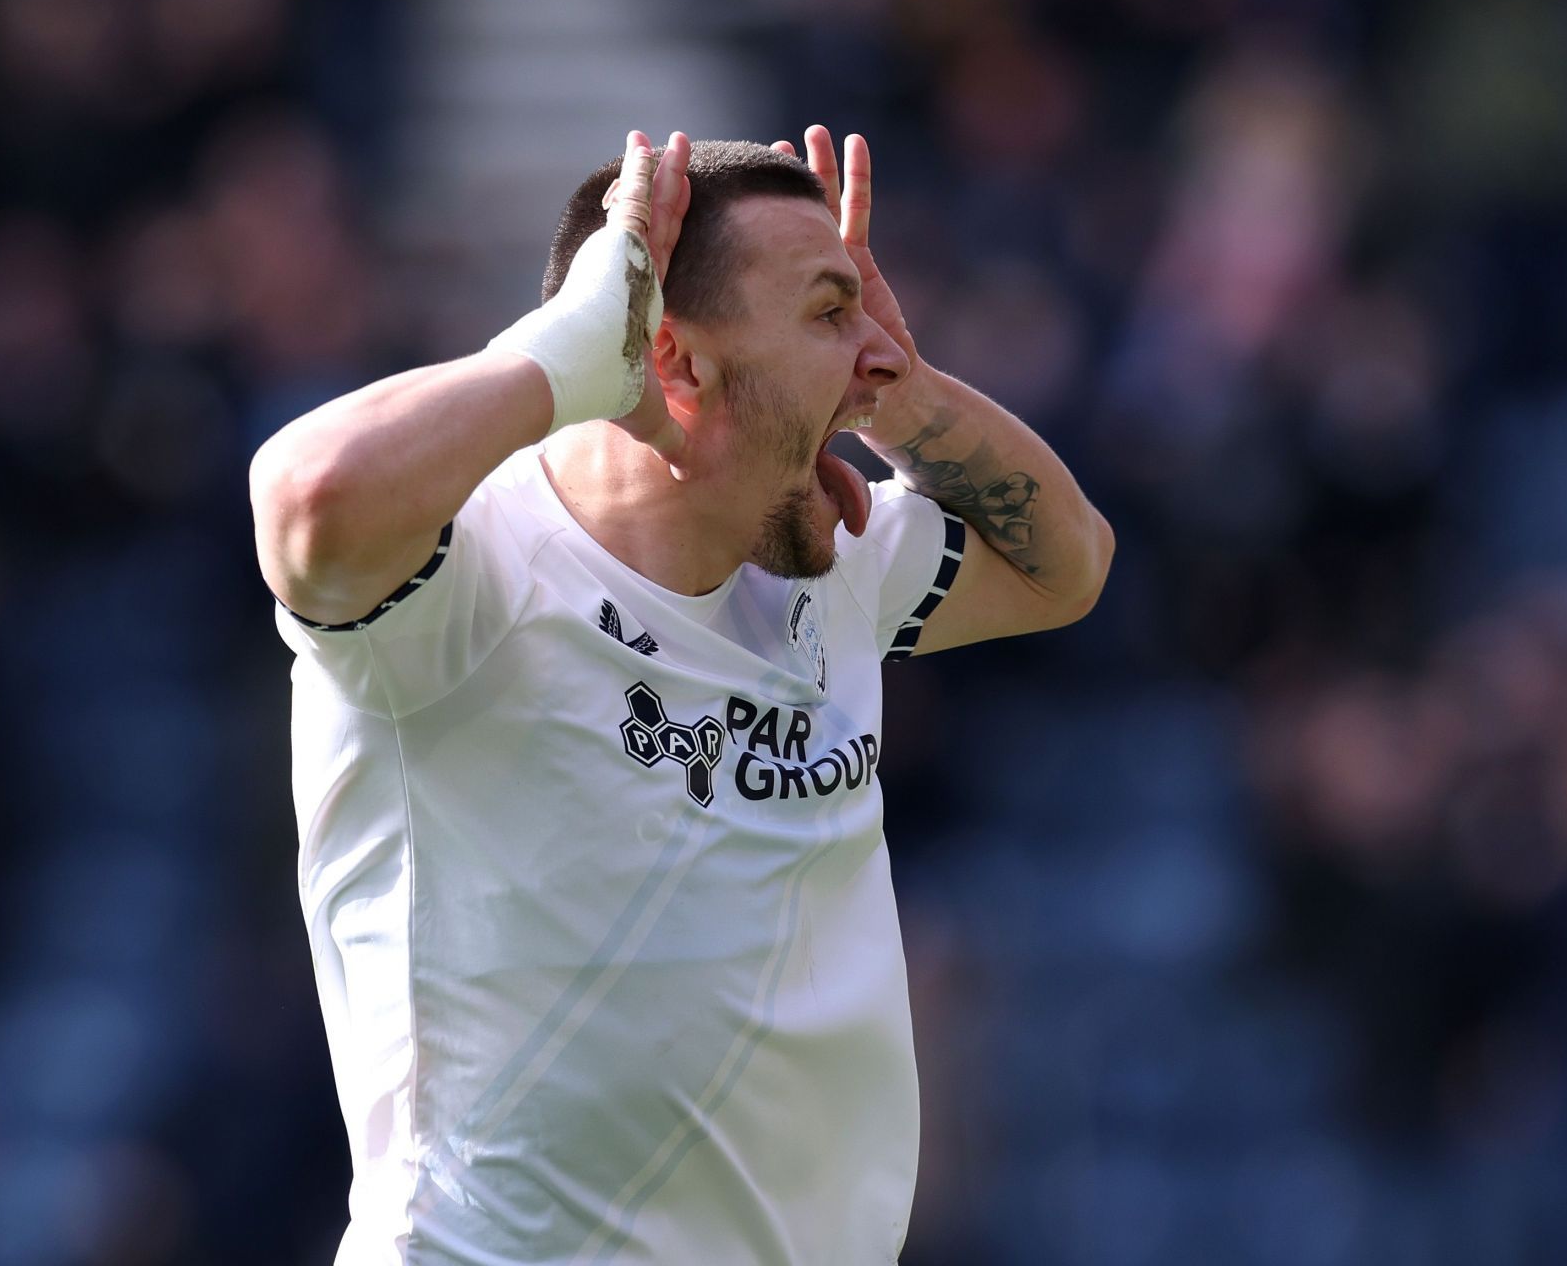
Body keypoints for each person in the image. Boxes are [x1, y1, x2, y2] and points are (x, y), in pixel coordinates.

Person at [249, 126, 1113, 1265]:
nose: (871, 354)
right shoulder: (469, 571)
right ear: (673, 363)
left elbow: (1069, 563)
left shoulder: (822, 558)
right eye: (825, 311)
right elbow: (308, 502)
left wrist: (902, 392)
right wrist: (562, 352)